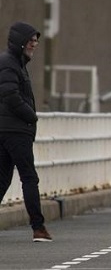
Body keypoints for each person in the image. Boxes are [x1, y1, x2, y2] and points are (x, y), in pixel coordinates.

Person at [0, 22, 52, 242]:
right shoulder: (9, 64)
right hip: (15, 131)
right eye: (31, 41)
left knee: (2, 180)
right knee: (29, 178)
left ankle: (38, 227)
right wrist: (31, 116)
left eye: (35, 41)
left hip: (7, 130)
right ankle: (38, 228)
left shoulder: (15, 63)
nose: (34, 44)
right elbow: (10, 95)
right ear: (20, 42)